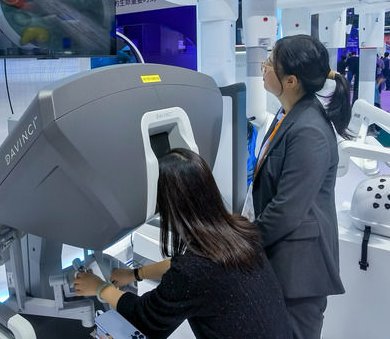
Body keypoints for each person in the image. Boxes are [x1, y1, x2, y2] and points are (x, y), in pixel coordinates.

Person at [73, 148, 291, 339]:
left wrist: (100, 288)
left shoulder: (194, 271)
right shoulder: (239, 230)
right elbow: (191, 266)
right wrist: (135, 274)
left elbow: (146, 320)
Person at [249, 34, 349, 339]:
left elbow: (287, 210)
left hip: (299, 271)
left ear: (291, 81)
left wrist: (241, 242)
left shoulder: (309, 130)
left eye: (270, 63)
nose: (264, 67)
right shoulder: (288, 115)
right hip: (281, 260)